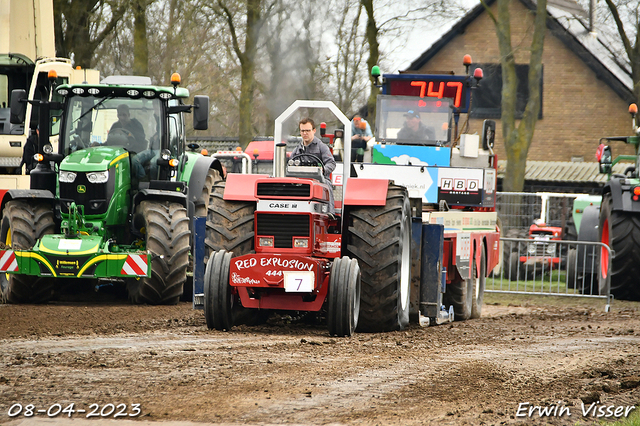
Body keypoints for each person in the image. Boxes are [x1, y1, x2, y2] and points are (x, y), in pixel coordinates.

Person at [291, 118, 336, 212]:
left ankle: (329, 212)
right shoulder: (297, 150)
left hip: (319, 180)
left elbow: (331, 163)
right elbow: (290, 165)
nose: (305, 133)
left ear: (314, 130)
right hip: (301, 180)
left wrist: (323, 170)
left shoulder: (321, 147)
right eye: (303, 131)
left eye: (308, 130)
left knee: (327, 185)